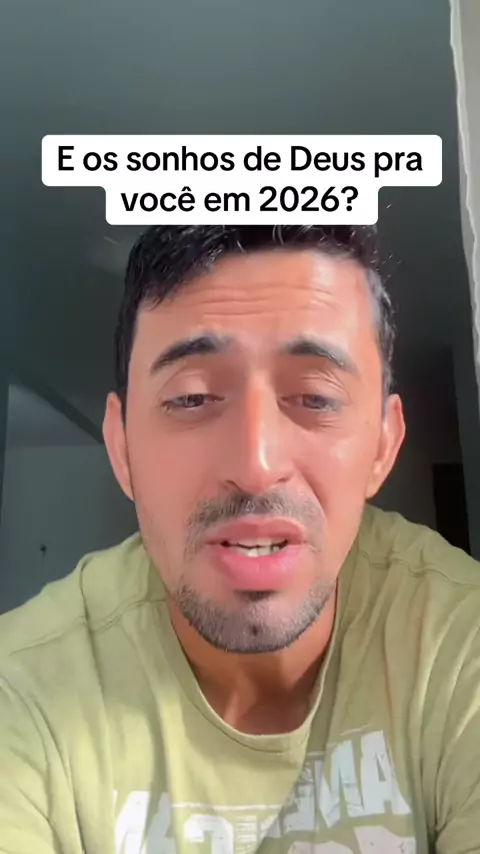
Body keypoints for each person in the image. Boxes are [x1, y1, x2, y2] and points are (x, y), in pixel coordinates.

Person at [1, 224, 479, 854]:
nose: (256, 465)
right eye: (192, 397)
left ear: (383, 446)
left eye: (314, 396)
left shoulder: (459, 641)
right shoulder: (20, 689)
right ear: (121, 447)